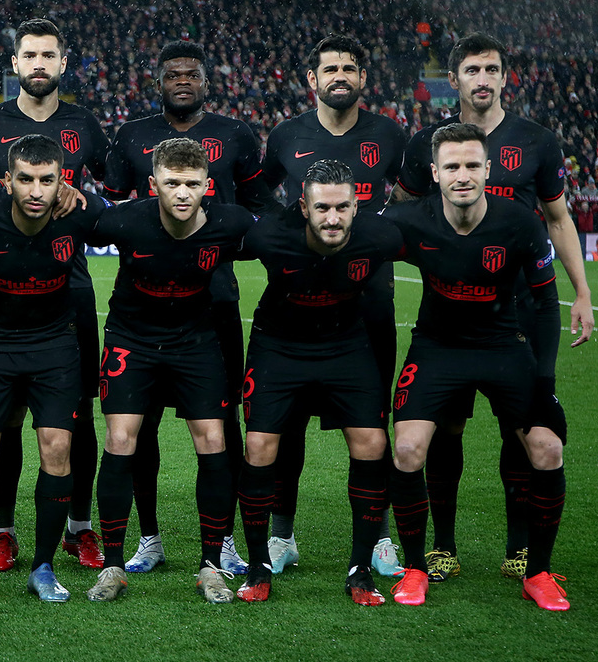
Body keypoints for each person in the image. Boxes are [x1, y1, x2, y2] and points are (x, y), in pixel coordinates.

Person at [390, 33, 593, 582]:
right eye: (472, 70)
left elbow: (558, 219)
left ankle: (520, 549)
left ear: (505, 77)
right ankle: (442, 547)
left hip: (520, 306)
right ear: (453, 78)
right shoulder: (426, 143)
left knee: (521, 431)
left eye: (492, 70)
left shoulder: (538, 141)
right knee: (446, 426)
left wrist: (581, 291)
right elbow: (399, 217)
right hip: (449, 306)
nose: (483, 79)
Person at [103, 40, 275, 575]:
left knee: (221, 426)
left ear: (206, 81)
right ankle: (148, 537)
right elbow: (113, 204)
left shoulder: (235, 134)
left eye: (192, 74)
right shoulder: (131, 135)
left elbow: (259, 207)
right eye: (173, 74)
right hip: (142, 307)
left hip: (213, 304)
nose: (183, 81)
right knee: (140, 427)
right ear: (158, 82)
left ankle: (222, 542)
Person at [385, 123, 568, 611]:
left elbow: (547, 305)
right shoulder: (408, 219)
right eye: (451, 166)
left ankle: (538, 573)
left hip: (503, 346)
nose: (462, 175)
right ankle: (415, 569)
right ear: (434, 173)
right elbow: (352, 238)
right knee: (407, 449)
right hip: (437, 347)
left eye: (471, 165)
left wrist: (545, 382)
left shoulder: (520, 223)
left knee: (548, 448)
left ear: (488, 169)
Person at [0, 18, 109, 571]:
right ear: (15, 63)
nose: (39, 64)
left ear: (63, 62)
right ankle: (3, 528)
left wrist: (79, 193)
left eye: (48, 55)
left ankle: (79, 527)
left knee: (75, 417)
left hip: (71, 288)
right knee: (7, 418)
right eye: (29, 55)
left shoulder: (84, 124)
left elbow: (116, 185)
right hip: (4, 289)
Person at [261, 34, 407, 577]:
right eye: (330, 68)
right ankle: (281, 536)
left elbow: (411, 194)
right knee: (288, 426)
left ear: (363, 78)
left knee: (371, 427)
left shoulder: (389, 134)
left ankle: (379, 538)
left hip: (370, 303)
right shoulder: (286, 135)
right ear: (312, 79)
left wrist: (375, 233)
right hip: (297, 305)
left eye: (349, 67)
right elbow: (262, 195)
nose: (339, 76)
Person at [86, 138, 255, 603]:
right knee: (121, 438)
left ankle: (211, 566)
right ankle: (113, 566)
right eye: (172, 183)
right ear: (153, 183)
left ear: (207, 186)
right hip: (131, 340)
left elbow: (281, 239)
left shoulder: (231, 223)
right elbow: (73, 221)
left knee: (214, 439)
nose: (182, 193)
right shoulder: (124, 220)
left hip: (195, 341)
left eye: (192, 184)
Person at [235, 159, 402, 604]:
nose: (333, 218)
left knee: (372, 443)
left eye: (342, 207)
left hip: (346, 344)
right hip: (278, 345)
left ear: (356, 206)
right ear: (304, 207)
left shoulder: (381, 236)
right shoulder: (269, 236)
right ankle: (258, 567)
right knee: (259, 446)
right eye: (323, 208)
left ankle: (360, 569)